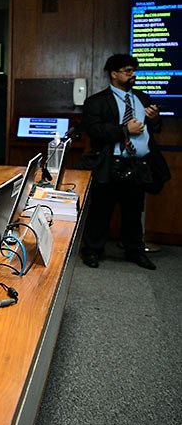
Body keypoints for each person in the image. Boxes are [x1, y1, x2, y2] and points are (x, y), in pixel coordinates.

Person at [78, 53, 168, 270]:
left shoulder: (142, 98)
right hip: (110, 164)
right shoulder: (97, 101)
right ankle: (92, 251)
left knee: (133, 212)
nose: (133, 75)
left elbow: (155, 127)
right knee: (101, 211)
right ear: (114, 74)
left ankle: (135, 251)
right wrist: (123, 130)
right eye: (128, 71)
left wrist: (155, 120)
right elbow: (94, 130)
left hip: (138, 165)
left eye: (133, 71)